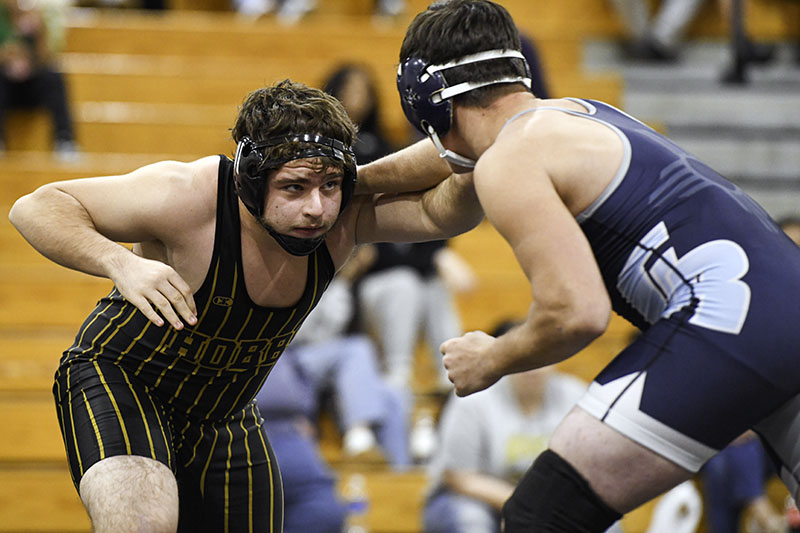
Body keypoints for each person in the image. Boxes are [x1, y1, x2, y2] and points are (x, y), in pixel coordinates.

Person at [374, 1, 800, 530]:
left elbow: (575, 313)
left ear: (426, 104)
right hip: (785, 305)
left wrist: (494, 358)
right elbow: (446, 183)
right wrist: (352, 185)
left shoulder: (510, 160)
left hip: (729, 319)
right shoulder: (580, 114)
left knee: (539, 518)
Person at [7, 79, 483, 532]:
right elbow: (35, 207)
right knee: (144, 523)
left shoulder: (341, 219)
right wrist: (119, 263)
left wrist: (490, 141)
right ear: (252, 182)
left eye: (330, 187)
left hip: (225, 411)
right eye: (294, 187)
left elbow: (441, 211)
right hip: (125, 379)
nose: (316, 209)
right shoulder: (188, 194)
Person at [422, 319, 589, 533]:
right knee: (471, 520)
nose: (533, 367)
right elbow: (459, 478)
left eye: (541, 357)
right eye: (524, 357)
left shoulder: (575, 394)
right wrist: (522, 508)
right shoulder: (474, 399)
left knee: (604, 522)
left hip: (547, 504)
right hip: (474, 499)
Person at [0, 0, 79, 159]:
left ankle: (64, 140)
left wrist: (39, 33)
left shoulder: (43, 15)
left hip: (33, 86)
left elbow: (50, 57)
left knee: (54, 77)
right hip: (6, 86)